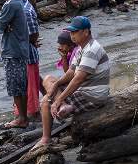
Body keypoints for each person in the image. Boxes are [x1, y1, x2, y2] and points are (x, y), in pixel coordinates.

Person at [36, 14, 110, 148]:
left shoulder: (92, 49)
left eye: (75, 32)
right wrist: (57, 84)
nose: (72, 35)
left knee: (46, 101)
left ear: (86, 32)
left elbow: (78, 79)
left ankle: (46, 139)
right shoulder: (82, 48)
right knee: (50, 80)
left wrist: (58, 99)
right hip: (86, 90)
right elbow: (71, 72)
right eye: (71, 32)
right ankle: (63, 107)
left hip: (93, 95)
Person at [0, 0, 34, 127]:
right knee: (20, 85)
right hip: (19, 50)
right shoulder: (16, 2)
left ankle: (21, 119)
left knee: (15, 86)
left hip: (13, 51)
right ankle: (23, 117)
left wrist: (3, 23)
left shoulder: (11, 5)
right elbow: (2, 24)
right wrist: (3, 24)